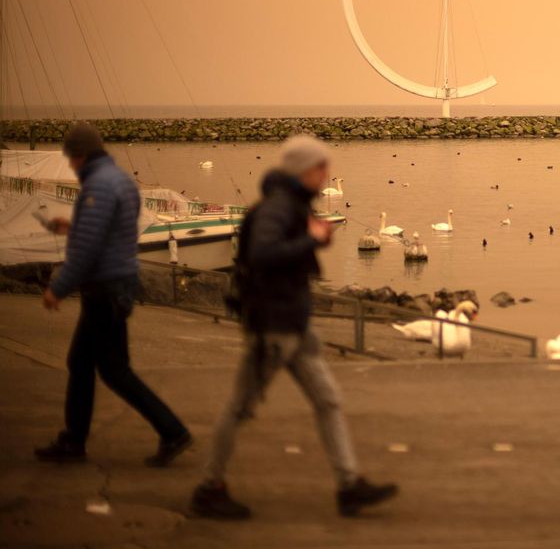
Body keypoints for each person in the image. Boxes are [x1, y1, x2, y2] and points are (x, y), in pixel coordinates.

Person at [190, 135, 396, 519]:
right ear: (304, 170)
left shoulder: (294, 205)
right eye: (322, 167)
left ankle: (349, 485)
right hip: (272, 328)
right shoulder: (277, 209)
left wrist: (312, 238)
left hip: (295, 326)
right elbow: (263, 255)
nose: (327, 174)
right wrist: (310, 239)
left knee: (328, 400)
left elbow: (289, 252)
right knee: (239, 409)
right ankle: (209, 487)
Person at [36, 122, 192, 467]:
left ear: (78, 155)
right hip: (118, 283)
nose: (71, 166)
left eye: (70, 158)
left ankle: (172, 430)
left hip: (104, 288)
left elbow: (89, 249)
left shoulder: (99, 186)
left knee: (114, 370)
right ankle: (73, 440)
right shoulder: (121, 181)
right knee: (82, 363)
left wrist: (57, 289)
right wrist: (74, 226)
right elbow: (113, 231)